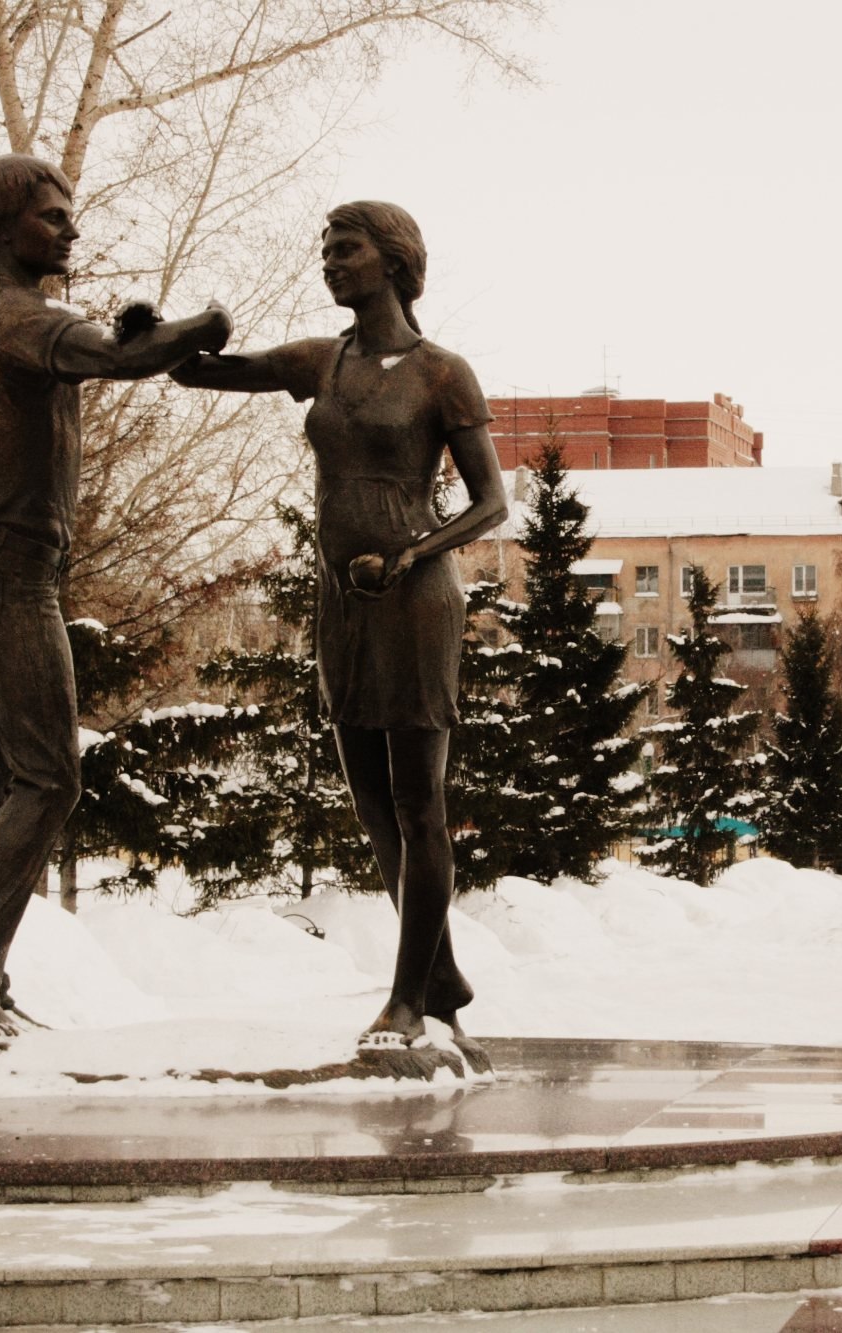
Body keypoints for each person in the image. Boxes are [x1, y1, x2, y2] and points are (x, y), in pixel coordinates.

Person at [171, 202, 508, 1059]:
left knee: (417, 802)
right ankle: (439, 977)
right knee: (369, 799)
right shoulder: (320, 361)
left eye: (346, 249)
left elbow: (492, 502)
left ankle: (409, 999)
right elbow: (205, 373)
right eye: (325, 250)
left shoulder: (443, 373)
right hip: (340, 601)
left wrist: (410, 554)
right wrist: (164, 335)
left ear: (393, 262)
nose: (330, 263)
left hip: (418, 599)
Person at [0, 154, 233, 1039]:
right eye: (54, 217)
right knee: (51, 777)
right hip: (11, 574)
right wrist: (204, 325)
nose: (71, 230)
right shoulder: (19, 315)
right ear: (3, 230)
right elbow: (120, 355)